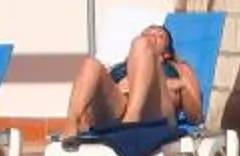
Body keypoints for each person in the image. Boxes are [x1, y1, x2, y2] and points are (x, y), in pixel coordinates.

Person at [63, 22, 201, 135]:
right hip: (118, 112)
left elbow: (196, 117)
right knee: (91, 64)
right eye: (147, 34)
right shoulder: (117, 68)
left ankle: (131, 120)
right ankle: (71, 123)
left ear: (167, 53)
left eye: (160, 36)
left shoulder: (179, 68)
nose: (151, 37)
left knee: (141, 45)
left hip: (157, 114)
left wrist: (181, 86)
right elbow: (94, 108)